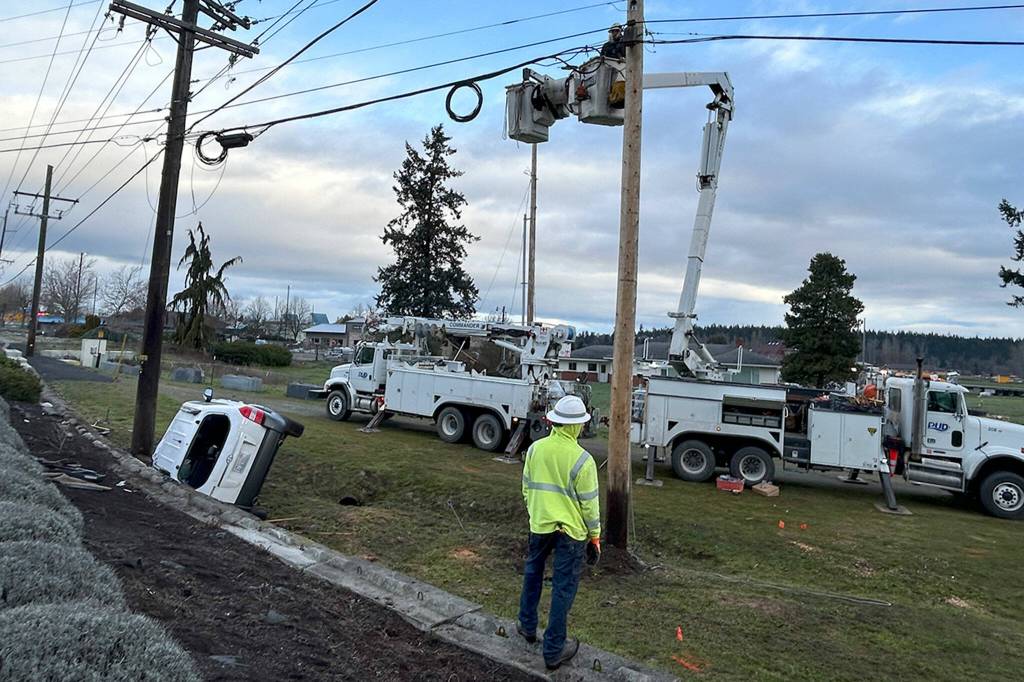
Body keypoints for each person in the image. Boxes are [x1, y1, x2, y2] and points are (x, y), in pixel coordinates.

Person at [517, 395, 601, 671]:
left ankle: (526, 625)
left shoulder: (535, 450)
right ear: (577, 426)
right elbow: (590, 505)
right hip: (571, 533)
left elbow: (527, 488)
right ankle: (553, 650)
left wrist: (536, 513)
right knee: (563, 587)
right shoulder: (583, 460)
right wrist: (595, 536)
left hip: (540, 525)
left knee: (533, 572)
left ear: (554, 421)